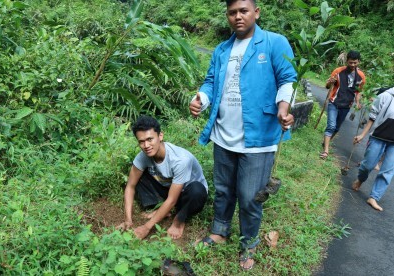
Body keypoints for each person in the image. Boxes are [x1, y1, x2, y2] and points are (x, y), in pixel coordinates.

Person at [188, 0, 296, 270]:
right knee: (224, 189)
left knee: (250, 196)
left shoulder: (274, 43)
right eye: (232, 12)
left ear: (256, 12)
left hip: (258, 137)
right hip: (224, 133)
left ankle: (249, 242)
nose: (238, 16)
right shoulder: (222, 49)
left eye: (243, 11)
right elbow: (211, 81)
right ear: (227, 15)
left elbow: (287, 79)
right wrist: (201, 97)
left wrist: (283, 109)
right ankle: (219, 231)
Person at [117, 115, 208, 240]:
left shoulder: (180, 159)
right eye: (141, 142)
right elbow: (130, 186)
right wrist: (128, 220)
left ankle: (179, 219)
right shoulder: (142, 157)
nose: (146, 145)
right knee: (137, 174)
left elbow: (172, 200)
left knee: (197, 191)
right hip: (169, 187)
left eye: (150, 139)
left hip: (188, 194)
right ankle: (161, 208)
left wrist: (146, 227)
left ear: (160, 136)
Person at [352, 87, 394, 211]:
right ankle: (360, 179)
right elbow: (372, 117)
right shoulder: (386, 96)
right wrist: (362, 135)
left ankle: (374, 197)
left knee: (387, 171)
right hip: (378, 136)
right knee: (368, 165)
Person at [320, 50, 366, 159]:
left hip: (346, 105)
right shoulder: (338, 71)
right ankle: (326, 150)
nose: (353, 65)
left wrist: (358, 102)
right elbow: (327, 86)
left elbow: (358, 92)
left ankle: (325, 142)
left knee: (336, 128)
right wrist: (330, 82)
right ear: (347, 61)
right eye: (351, 62)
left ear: (358, 62)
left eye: (355, 63)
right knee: (331, 126)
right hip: (334, 102)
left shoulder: (361, 76)